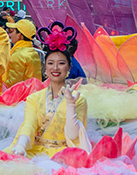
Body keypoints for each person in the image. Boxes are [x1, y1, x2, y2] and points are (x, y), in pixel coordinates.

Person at [8, 23, 89, 157]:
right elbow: (29, 124)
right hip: (36, 151)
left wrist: (70, 105)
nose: (55, 68)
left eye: (61, 63)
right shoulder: (34, 98)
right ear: (46, 68)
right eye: (51, 63)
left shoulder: (78, 99)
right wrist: (21, 144)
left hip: (65, 155)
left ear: (69, 68)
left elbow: (73, 136)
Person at [4, 18, 41, 87]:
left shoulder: (18, 55)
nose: (11, 34)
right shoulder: (33, 52)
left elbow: (12, 84)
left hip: (22, 95)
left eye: (13, 31)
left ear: (19, 35)